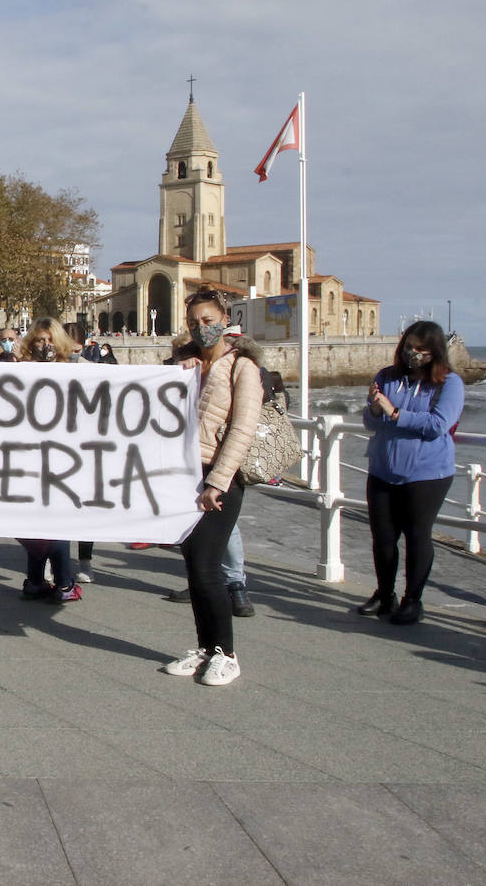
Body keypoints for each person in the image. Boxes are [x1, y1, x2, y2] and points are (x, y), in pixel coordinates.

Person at [161, 289, 261, 686]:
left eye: (207, 320)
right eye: (193, 323)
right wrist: (178, 374)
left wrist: (217, 482)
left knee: (207, 566)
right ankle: (205, 647)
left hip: (219, 477)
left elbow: (243, 428)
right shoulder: (185, 365)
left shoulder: (242, 367)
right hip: (184, 474)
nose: (201, 329)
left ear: (224, 317)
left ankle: (226, 653)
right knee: (194, 567)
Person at [359, 320, 464, 625]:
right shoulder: (387, 377)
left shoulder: (449, 383)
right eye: (408, 347)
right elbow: (371, 422)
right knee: (383, 537)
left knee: (418, 535)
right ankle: (385, 594)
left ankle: (412, 600)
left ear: (434, 351)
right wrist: (377, 412)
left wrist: (394, 413)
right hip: (382, 468)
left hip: (427, 473)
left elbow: (437, 425)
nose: (413, 354)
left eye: (421, 349)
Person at [9, 318, 83, 603]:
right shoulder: (20, 371)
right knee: (35, 519)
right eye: (40, 340)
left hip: (63, 457)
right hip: (28, 455)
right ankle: (57, 582)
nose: (45, 346)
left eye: (50, 340)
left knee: (54, 517)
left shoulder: (79, 370)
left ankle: (44, 581)